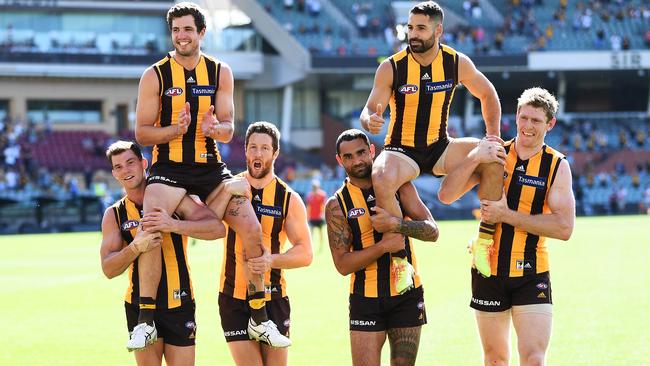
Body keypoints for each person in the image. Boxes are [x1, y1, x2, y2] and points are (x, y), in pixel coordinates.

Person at [133, 2, 289, 350]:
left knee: (251, 227)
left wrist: (215, 128)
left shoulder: (221, 71)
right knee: (152, 223)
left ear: (201, 33)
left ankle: (259, 317)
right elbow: (142, 134)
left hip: (209, 167)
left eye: (188, 29)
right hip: (168, 168)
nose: (181, 36)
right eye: (175, 30)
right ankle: (145, 321)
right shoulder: (154, 75)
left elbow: (229, 129)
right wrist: (177, 129)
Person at [359, 0, 503, 294]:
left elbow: (488, 94)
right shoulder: (392, 67)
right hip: (402, 150)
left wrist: (493, 137)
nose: (413, 34)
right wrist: (369, 120)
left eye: (420, 28)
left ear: (438, 30)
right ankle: (401, 261)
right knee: (382, 175)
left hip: (440, 147)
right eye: (410, 27)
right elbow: (370, 110)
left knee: (495, 157)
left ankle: (484, 241)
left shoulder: (455, 62)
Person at [441, 88, 575, 365]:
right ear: (515, 117)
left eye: (536, 121)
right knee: (495, 360)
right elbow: (446, 195)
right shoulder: (494, 154)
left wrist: (506, 215)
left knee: (534, 359)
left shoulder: (556, 166)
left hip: (531, 271)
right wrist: (475, 157)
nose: (527, 126)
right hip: (488, 270)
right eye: (523, 118)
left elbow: (564, 228)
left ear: (550, 124)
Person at [99, 140, 241, 365]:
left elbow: (217, 228)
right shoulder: (114, 214)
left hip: (179, 300)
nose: (125, 170)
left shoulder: (173, 198)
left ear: (144, 163)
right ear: (114, 173)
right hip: (139, 305)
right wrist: (135, 247)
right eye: (118, 167)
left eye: (130, 163)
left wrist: (173, 225)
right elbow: (108, 268)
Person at [325, 129, 439, 366]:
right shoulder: (338, 204)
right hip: (365, 300)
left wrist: (396, 224)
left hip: (406, 295)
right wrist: (383, 246)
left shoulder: (400, 187)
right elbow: (342, 265)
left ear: (372, 151)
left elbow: (432, 231)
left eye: (361, 152)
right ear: (339, 160)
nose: (356, 161)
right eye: (348, 156)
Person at [219, 122, 313, 366]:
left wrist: (270, 260)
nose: (257, 154)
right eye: (252, 147)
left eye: (264, 148)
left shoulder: (288, 198)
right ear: (246, 151)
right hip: (233, 297)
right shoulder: (229, 188)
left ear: (275, 153)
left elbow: (305, 253)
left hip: (274, 298)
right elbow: (207, 221)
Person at [305, 179, 327, 253]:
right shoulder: (309, 196)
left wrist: (323, 214)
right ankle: (311, 248)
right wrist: (307, 217)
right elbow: (308, 207)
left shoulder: (322, 195)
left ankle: (320, 248)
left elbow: (324, 206)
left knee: (320, 233)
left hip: (319, 217)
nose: (314, 188)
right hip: (312, 217)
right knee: (311, 234)